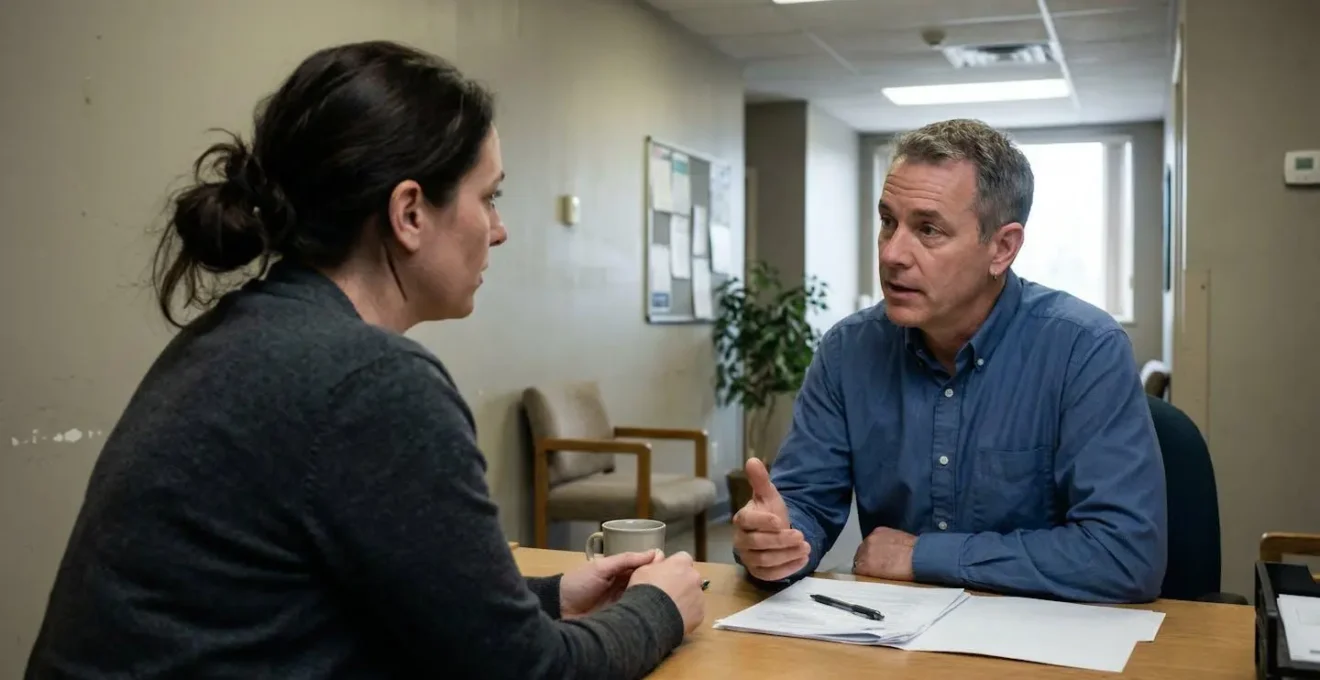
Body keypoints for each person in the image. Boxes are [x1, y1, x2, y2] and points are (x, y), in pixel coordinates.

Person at [26, 41, 704, 679]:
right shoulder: (369, 381)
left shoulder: (241, 334)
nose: (499, 229)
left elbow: (375, 587)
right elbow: (526, 672)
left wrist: (550, 595)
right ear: (410, 212)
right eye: (489, 196)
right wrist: (660, 608)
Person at [731, 119, 1167, 604]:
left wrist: (924, 556)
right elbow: (806, 504)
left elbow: (1125, 554)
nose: (893, 253)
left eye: (929, 229)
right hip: (893, 642)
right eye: (887, 222)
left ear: (1001, 248)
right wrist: (777, 540)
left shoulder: (1084, 349)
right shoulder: (846, 351)